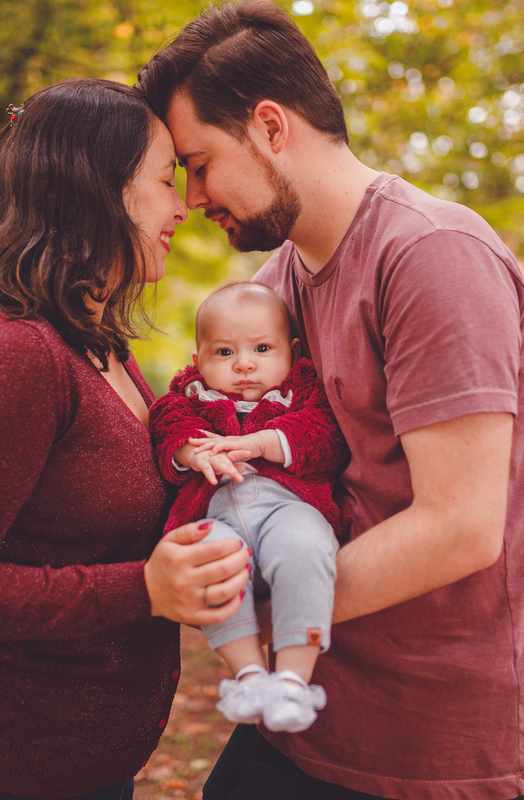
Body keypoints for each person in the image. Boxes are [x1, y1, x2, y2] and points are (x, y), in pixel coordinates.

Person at [136, 3, 524, 800]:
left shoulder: (432, 257)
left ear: (271, 127)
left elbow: (460, 526)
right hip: (312, 708)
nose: (194, 194)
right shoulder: (271, 294)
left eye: (200, 162)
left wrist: (252, 613)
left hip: (438, 735)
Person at [0, 78, 251, 800]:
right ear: (99, 189)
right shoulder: (16, 354)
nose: (182, 207)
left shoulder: (100, 348)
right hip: (1, 774)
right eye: (162, 180)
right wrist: (145, 588)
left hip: (91, 770)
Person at [148, 282, 347, 733]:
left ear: (291, 351)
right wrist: (190, 452)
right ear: (198, 358)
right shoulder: (193, 396)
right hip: (216, 514)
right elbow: (166, 421)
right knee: (210, 562)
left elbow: (326, 437)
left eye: (261, 348)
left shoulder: (301, 392)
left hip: (288, 506)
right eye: (224, 353)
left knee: (305, 548)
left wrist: (260, 442)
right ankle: (249, 674)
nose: (244, 364)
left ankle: (295, 677)